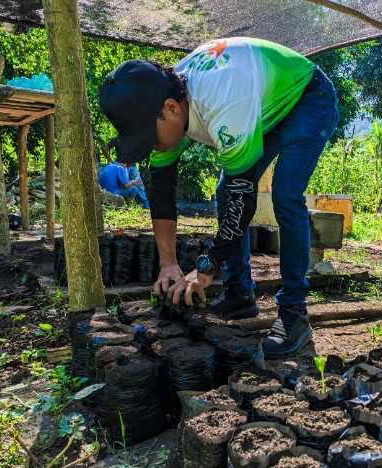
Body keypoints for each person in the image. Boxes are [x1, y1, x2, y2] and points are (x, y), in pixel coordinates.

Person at [99, 37, 338, 359]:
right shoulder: (168, 100)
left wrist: (207, 267)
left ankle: (294, 315)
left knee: (285, 195)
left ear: (171, 108)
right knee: (224, 192)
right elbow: (162, 191)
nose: (152, 148)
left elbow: (244, 200)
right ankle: (240, 294)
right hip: (260, 104)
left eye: (150, 139)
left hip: (306, 97)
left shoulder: (222, 103)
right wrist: (168, 263)